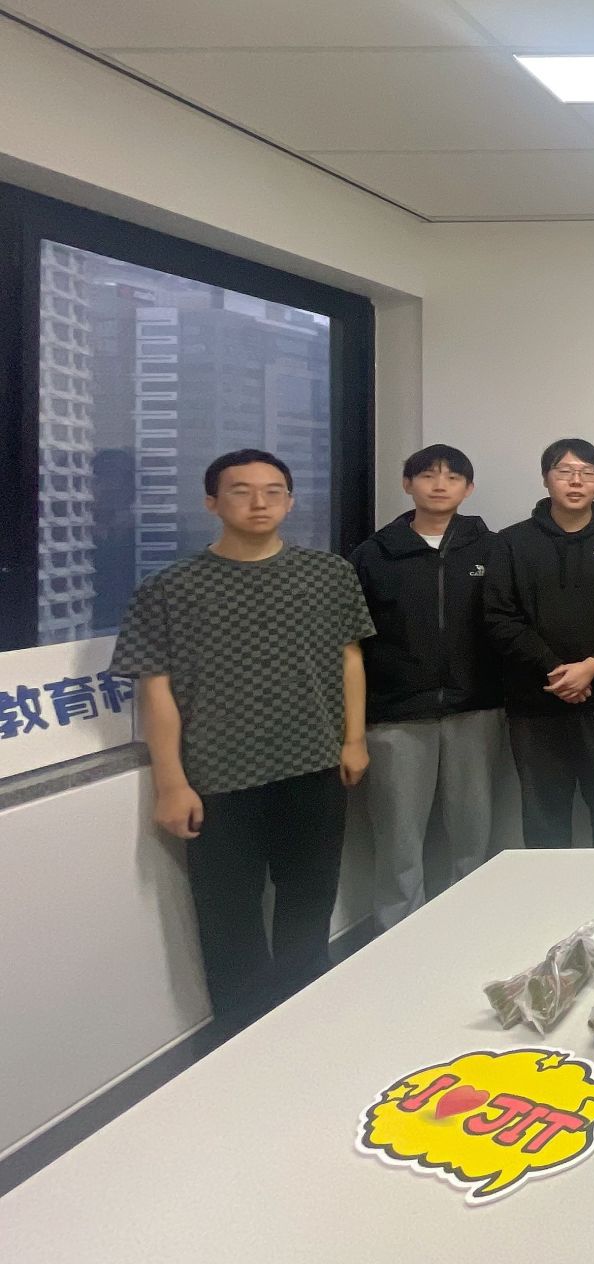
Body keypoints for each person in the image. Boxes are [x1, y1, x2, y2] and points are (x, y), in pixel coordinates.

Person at [109, 449, 373, 1033]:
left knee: (309, 908)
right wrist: (171, 782)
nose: (259, 503)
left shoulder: (329, 574)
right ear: (211, 502)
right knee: (229, 924)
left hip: (313, 766)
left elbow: (349, 658)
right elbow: (155, 689)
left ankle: (309, 1029)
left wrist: (353, 740)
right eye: (241, 491)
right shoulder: (169, 589)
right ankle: (242, 1042)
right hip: (217, 778)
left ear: (290, 501)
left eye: (273, 491)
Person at [350, 443, 504, 930]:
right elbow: (353, 644)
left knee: (472, 835)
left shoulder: (491, 549)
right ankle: (398, 934)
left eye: (453, 477)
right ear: (407, 484)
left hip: (475, 709)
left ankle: (470, 928)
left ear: (469, 488)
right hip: (396, 715)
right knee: (398, 839)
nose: (440, 485)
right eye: (428, 476)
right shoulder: (372, 555)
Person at [481, 438, 594, 849]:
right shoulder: (511, 542)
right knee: (543, 821)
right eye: (565, 471)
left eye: (588, 473)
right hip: (534, 705)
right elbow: (499, 617)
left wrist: (592, 665)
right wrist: (555, 669)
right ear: (545, 478)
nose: (576, 481)